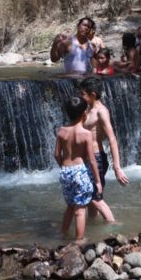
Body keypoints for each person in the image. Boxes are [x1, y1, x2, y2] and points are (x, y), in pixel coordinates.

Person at [77, 77, 130, 222]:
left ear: (93, 94)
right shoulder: (89, 109)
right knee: (92, 197)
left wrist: (117, 168)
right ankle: (94, 225)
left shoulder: (101, 112)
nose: (80, 96)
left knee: (94, 197)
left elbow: (112, 139)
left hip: (97, 159)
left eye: (83, 94)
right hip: (87, 158)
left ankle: (114, 226)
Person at [55, 96, 101, 243]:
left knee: (70, 206)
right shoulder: (86, 134)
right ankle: (79, 240)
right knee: (80, 210)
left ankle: (62, 234)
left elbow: (56, 154)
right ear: (84, 114)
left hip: (65, 170)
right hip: (80, 171)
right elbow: (92, 160)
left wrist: (63, 166)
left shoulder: (62, 131)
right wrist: (98, 181)